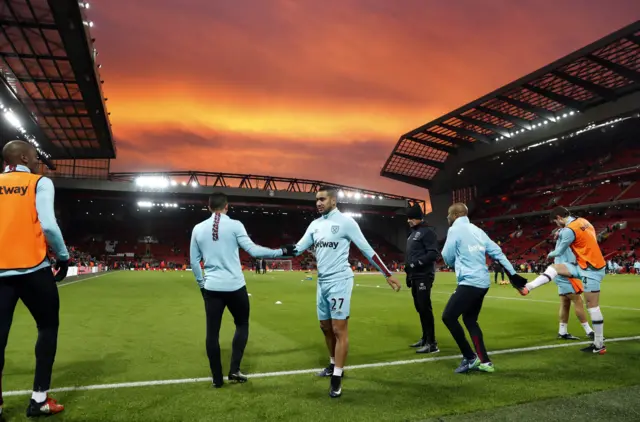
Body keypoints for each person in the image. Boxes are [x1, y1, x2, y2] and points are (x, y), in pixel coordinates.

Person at [286, 186, 401, 398]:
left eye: (322, 199)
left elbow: (367, 250)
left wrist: (387, 274)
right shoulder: (315, 225)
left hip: (340, 280)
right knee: (325, 327)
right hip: (322, 282)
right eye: (316, 200)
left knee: (339, 329)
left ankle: (337, 377)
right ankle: (332, 363)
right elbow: (298, 248)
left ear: (333, 201)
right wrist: (274, 251)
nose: (318, 203)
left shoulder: (346, 223)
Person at [190, 192, 289, 388]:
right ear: (227, 206)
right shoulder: (235, 225)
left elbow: (194, 261)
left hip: (212, 288)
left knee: (212, 334)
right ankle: (234, 370)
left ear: (208, 207)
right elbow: (253, 251)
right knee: (242, 324)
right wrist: (281, 251)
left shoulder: (198, 229)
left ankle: (217, 379)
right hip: (235, 286)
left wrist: (202, 285)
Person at [0, 140, 69, 417]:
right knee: (47, 328)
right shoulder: (39, 182)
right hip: (34, 269)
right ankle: (39, 399)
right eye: (36, 157)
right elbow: (49, 225)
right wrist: (63, 256)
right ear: (26, 158)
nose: (39, 161)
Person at [440, 203, 526, 374]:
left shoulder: (455, 230)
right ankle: (485, 362)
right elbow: (498, 253)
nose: (448, 218)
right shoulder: (478, 231)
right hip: (482, 283)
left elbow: (446, 255)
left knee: (448, 317)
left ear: (456, 215)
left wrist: (452, 263)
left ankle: (470, 358)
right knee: (470, 320)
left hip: (469, 281)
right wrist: (513, 276)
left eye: (449, 214)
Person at [518, 207, 607, 354]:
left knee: (592, 307)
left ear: (559, 217)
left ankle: (599, 344)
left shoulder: (567, 230)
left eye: (555, 222)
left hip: (591, 270)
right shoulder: (583, 221)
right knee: (555, 268)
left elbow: (558, 251)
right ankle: (529, 286)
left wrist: (548, 255)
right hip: (584, 265)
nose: (556, 225)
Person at [404, 204, 440, 354]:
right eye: (408, 218)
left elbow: (433, 254)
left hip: (424, 275)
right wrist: (409, 274)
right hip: (415, 276)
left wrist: (415, 264)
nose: (409, 221)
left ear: (419, 218)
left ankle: (432, 343)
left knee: (425, 307)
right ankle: (425, 338)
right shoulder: (413, 234)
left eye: (411, 218)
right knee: (420, 308)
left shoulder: (428, 233)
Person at [547, 231, 594, 340]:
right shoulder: (567, 238)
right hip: (565, 272)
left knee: (565, 303)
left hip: (560, 271)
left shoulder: (562, 239)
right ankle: (589, 331)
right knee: (578, 301)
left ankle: (562, 332)